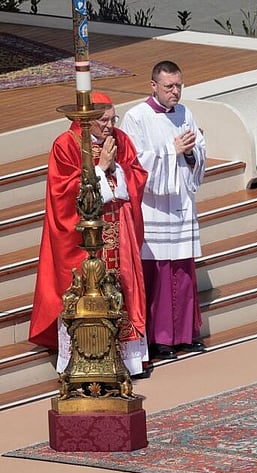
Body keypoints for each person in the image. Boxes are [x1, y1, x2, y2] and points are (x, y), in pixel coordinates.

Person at [30, 91, 150, 377]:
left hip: (118, 229)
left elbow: (137, 174)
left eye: (113, 119)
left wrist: (117, 170)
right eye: (103, 120)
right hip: (82, 238)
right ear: (89, 119)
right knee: (85, 288)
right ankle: (83, 357)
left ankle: (128, 362)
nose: (110, 126)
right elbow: (62, 191)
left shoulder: (121, 139)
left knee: (122, 287)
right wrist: (101, 168)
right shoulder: (66, 144)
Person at [119, 60, 206, 360]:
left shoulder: (185, 113)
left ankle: (185, 334)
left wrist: (192, 152)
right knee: (158, 273)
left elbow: (199, 150)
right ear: (153, 85)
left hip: (180, 203)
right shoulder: (136, 117)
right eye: (169, 86)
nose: (175, 92)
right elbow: (133, 162)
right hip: (153, 207)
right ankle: (160, 339)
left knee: (182, 270)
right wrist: (173, 150)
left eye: (179, 85)